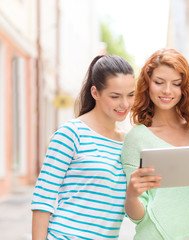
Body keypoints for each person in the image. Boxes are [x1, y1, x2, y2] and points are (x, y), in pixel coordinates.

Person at [121, 48, 189, 240]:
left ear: (184, 88)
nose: (167, 90)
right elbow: (136, 216)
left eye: (176, 84)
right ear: (147, 84)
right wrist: (132, 195)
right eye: (159, 82)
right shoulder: (136, 138)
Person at [31, 55, 135, 240]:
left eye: (130, 95)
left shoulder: (129, 143)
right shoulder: (71, 134)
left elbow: (128, 208)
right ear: (95, 93)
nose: (125, 104)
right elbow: (43, 200)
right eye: (115, 96)